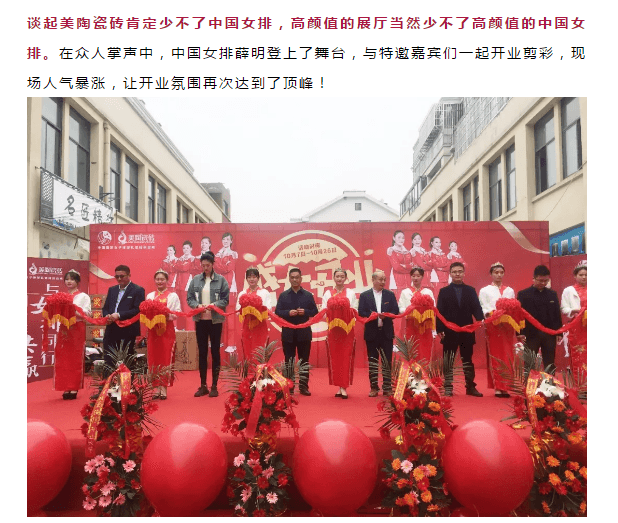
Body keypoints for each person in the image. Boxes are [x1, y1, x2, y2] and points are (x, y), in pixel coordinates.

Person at [436, 262, 485, 397]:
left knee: (467, 359)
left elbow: (476, 308)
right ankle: (448, 387)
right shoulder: (444, 291)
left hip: (467, 330)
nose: (457, 274)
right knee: (448, 360)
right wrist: (439, 329)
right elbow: (439, 311)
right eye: (454, 272)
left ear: (464, 273)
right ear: (450, 274)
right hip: (449, 331)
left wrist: (481, 320)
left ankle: (470, 386)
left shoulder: (470, 290)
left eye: (460, 271)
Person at [187, 251, 230, 398]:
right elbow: (189, 298)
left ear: (213, 265)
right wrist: (197, 306)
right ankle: (203, 385)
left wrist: (214, 305)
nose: (205, 268)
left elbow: (225, 300)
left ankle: (214, 386)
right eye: (203, 265)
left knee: (215, 352)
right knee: (202, 352)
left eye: (208, 265)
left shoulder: (221, 280)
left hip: (215, 320)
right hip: (200, 321)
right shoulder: (195, 280)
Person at [274, 267, 318, 396]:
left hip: (304, 333)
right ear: (289, 279)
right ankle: (290, 386)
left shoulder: (308, 295)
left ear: (301, 278)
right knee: (289, 361)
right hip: (288, 333)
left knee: (304, 360)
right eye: (292, 277)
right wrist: (288, 313)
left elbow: (315, 311)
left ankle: (304, 387)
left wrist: (306, 312)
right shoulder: (283, 295)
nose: (295, 280)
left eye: (297, 277)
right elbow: (277, 312)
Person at [358, 270, 400, 397]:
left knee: (387, 361)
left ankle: (387, 387)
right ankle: (374, 387)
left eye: (384, 279)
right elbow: (361, 312)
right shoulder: (365, 295)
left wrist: (385, 316)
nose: (383, 282)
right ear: (373, 280)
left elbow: (395, 311)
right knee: (373, 361)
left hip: (386, 333)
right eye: (380, 279)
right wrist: (373, 315)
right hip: (372, 333)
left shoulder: (389, 294)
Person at [478, 263, 516, 398]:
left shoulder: (510, 290)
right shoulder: (485, 290)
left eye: (501, 272)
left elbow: (514, 306)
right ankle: (498, 387)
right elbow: (483, 307)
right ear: (491, 274)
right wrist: (492, 313)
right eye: (496, 272)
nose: (499, 275)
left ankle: (507, 386)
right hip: (493, 325)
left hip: (507, 326)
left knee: (508, 354)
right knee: (495, 354)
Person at [517, 265, 563, 373]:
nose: (543, 283)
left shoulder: (552, 294)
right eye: (540, 280)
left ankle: (550, 382)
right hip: (530, 333)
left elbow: (557, 313)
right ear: (534, 278)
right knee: (529, 362)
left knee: (550, 361)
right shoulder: (523, 294)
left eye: (546, 281)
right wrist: (519, 332)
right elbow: (518, 315)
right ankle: (528, 382)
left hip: (549, 333)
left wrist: (559, 332)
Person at [54, 269, 91, 399]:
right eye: (67, 279)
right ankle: (65, 386)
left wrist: (71, 310)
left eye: (72, 279)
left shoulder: (83, 297)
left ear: (77, 282)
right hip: (64, 328)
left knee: (75, 358)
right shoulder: (62, 296)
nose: (69, 281)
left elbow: (87, 313)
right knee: (63, 358)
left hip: (77, 328)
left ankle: (74, 387)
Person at [321, 268, 358, 399]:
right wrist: (334, 313)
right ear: (334, 278)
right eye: (337, 276)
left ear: (346, 278)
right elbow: (323, 312)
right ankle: (339, 386)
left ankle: (344, 386)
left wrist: (344, 314)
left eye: (342, 276)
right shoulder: (328, 293)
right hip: (333, 331)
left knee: (346, 358)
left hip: (347, 331)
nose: (339, 279)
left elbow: (355, 310)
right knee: (335, 359)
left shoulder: (351, 293)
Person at [101, 265, 145, 373]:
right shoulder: (112, 290)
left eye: (122, 276)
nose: (119, 279)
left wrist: (119, 315)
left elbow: (137, 310)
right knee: (108, 357)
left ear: (129, 275)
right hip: (111, 327)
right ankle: (108, 381)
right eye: (117, 276)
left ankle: (127, 382)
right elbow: (105, 308)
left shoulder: (138, 290)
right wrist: (107, 316)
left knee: (128, 358)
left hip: (128, 328)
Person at [145, 270, 182, 400]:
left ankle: (164, 388)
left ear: (167, 281)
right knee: (153, 358)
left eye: (162, 279)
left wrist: (165, 315)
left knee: (165, 358)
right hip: (153, 331)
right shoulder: (150, 296)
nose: (160, 281)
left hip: (167, 330)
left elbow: (177, 313)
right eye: (157, 279)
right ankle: (156, 388)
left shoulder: (173, 296)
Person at [397, 267, 436, 363]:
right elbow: (400, 308)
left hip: (425, 326)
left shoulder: (428, 292)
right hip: (411, 324)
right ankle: (412, 370)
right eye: (413, 276)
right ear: (410, 277)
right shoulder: (405, 292)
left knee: (425, 348)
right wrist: (412, 310)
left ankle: (425, 369)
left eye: (418, 276)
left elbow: (433, 307)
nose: (415, 278)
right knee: (412, 348)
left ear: (422, 277)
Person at [237, 267, 272, 359]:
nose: (251, 279)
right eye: (249, 277)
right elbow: (238, 311)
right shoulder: (242, 294)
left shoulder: (264, 293)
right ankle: (249, 368)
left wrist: (257, 309)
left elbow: (269, 309)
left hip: (260, 325)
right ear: (246, 279)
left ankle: (260, 368)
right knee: (247, 349)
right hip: (247, 326)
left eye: (254, 277)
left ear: (258, 278)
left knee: (260, 350)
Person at [560, 260, 587, 378]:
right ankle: (581, 383)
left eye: (586, 275)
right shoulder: (568, 290)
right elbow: (564, 308)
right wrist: (572, 311)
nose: (584, 277)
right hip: (577, 327)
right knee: (578, 354)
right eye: (581, 275)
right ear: (575, 276)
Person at [175, 240, 198, 330]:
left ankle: (190, 330)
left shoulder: (193, 259)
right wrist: (182, 265)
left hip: (187, 287)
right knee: (180, 309)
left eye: (187, 248)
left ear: (191, 249)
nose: (185, 250)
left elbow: (184, 268)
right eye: (184, 248)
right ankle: (182, 329)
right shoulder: (180, 259)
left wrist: (182, 265)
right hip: (179, 286)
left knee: (188, 309)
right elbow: (176, 267)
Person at [387, 230, 412, 296]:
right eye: (399, 237)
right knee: (398, 299)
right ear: (394, 238)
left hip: (408, 280)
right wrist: (408, 267)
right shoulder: (391, 250)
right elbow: (397, 267)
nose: (401, 240)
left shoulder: (407, 252)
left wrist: (405, 266)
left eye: (403, 238)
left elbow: (412, 266)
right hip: (397, 280)